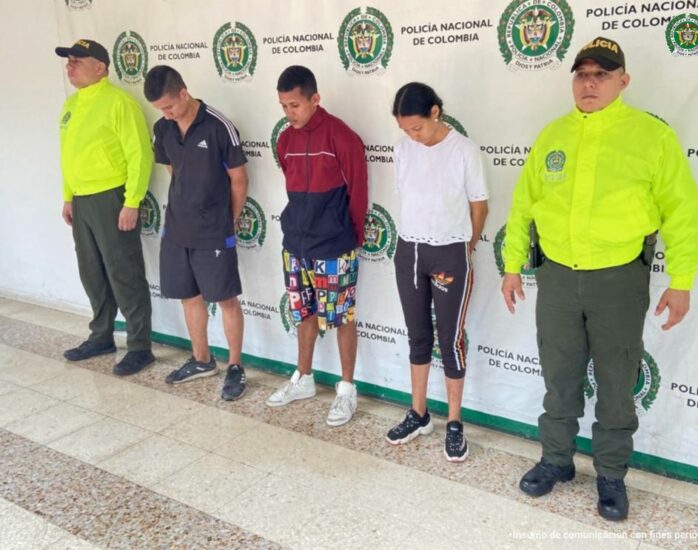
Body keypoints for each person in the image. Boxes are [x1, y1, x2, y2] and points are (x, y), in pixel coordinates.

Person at [501, 37, 698, 520]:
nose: (589, 83)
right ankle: (556, 460)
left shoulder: (651, 137)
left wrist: (682, 279)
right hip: (558, 280)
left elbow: (681, 210)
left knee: (615, 380)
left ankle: (610, 474)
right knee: (559, 375)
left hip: (618, 280)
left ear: (623, 81)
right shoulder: (553, 135)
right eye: (582, 74)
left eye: (602, 74)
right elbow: (523, 205)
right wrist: (511, 265)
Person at [386, 82, 489, 462]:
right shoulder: (402, 148)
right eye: (405, 130)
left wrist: (465, 247)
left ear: (435, 112)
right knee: (417, 335)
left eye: (418, 128)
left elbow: (480, 206)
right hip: (409, 250)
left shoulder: (464, 150)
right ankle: (418, 413)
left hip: (450, 252)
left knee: (451, 340)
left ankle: (455, 422)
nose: (413, 136)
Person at [266, 65, 368, 427]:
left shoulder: (342, 137)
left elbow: (358, 192)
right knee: (303, 313)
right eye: (283, 106)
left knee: (342, 317)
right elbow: (292, 186)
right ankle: (304, 378)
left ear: (315, 99)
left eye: (294, 105)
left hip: (334, 245)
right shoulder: (285, 140)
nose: (288, 113)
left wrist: (350, 241)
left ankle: (346, 389)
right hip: (295, 243)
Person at [143, 66, 249, 401]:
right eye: (161, 109)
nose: (166, 114)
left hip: (214, 231)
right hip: (176, 228)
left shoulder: (219, 126)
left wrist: (227, 220)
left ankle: (235, 366)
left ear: (184, 93)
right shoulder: (163, 129)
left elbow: (239, 180)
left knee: (226, 298)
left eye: (169, 106)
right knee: (189, 296)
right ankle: (202, 359)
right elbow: (175, 170)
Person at [55, 39, 155, 375]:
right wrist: (69, 196)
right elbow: (69, 156)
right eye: (68, 61)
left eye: (77, 61)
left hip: (112, 198)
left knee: (124, 272)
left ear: (100, 67)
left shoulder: (119, 103)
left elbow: (139, 154)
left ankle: (140, 346)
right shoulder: (71, 105)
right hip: (82, 201)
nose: (70, 66)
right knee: (92, 272)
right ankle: (101, 336)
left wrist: (131, 201)